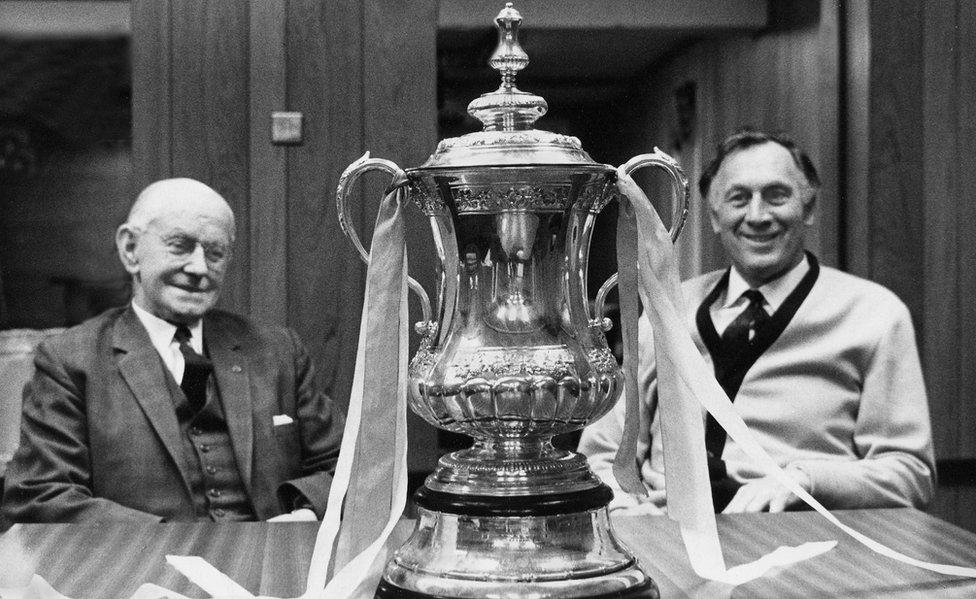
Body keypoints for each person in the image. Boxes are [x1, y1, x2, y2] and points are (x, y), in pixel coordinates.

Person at [580, 129, 935, 514]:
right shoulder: (667, 309)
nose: (757, 215)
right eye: (738, 199)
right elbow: (601, 455)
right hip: (665, 531)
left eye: (776, 195)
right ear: (714, 217)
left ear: (810, 208)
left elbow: (910, 475)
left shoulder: (876, 315)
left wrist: (806, 481)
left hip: (800, 537)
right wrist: (625, 503)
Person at [1, 178, 344, 523]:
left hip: (272, 565)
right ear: (130, 249)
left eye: (215, 252)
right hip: (139, 570)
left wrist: (307, 513)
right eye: (180, 246)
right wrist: (169, 539)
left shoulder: (277, 352)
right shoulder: (69, 361)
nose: (199, 268)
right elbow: (41, 495)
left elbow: (350, 470)